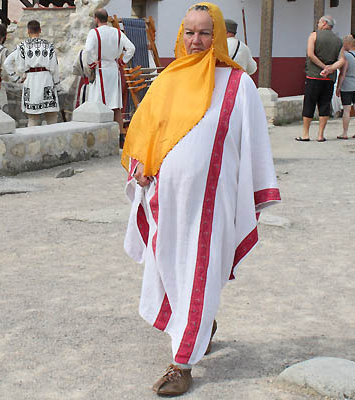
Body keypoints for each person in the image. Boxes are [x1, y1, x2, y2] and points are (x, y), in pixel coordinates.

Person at [121, 3, 280, 396]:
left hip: (213, 203)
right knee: (171, 265)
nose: (196, 41)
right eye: (189, 32)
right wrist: (139, 166)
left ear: (218, 38)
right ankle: (201, 324)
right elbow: (146, 135)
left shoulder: (237, 84)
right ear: (180, 35)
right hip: (165, 199)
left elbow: (255, 143)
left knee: (200, 269)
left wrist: (254, 193)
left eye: (204, 33)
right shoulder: (167, 80)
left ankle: (182, 364)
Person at [85, 8, 135, 133]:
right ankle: (119, 136)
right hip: (114, 69)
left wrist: (91, 63)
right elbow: (131, 48)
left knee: (98, 105)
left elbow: (88, 50)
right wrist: (122, 62)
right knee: (115, 106)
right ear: (107, 18)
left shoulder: (94, 33)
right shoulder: (117, 32)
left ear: (96, 19)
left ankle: (100, 136)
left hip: (100, 69)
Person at [295, 15, 343, 143]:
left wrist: (323, 67)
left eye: (319, 22)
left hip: (314, 75)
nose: (318, 24)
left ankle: (305, 134)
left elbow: (310, 54)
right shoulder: (339, 40)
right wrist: (331, 69)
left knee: (309, 104)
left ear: (324, 24)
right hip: (329, 79)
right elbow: (342, 60)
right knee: (324, 105)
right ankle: (320, 135)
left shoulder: (314, 35)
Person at [3, 20, 60, 127]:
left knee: (33, 120)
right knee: (52, 119)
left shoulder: (21, 47)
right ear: (40, 30)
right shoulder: (49, 46)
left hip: (31, 82)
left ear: (28, 31)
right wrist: (58, 85)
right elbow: (55, 67)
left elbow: (7, 63)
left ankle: (32, 143)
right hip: (46, 81)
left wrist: (16, 79)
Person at [335, 35, 355, 139]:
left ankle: (345, 133)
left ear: (348, 44)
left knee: (346, 110)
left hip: (347, 86)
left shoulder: (346, 56)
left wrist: (338, 87)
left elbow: (343, 74)